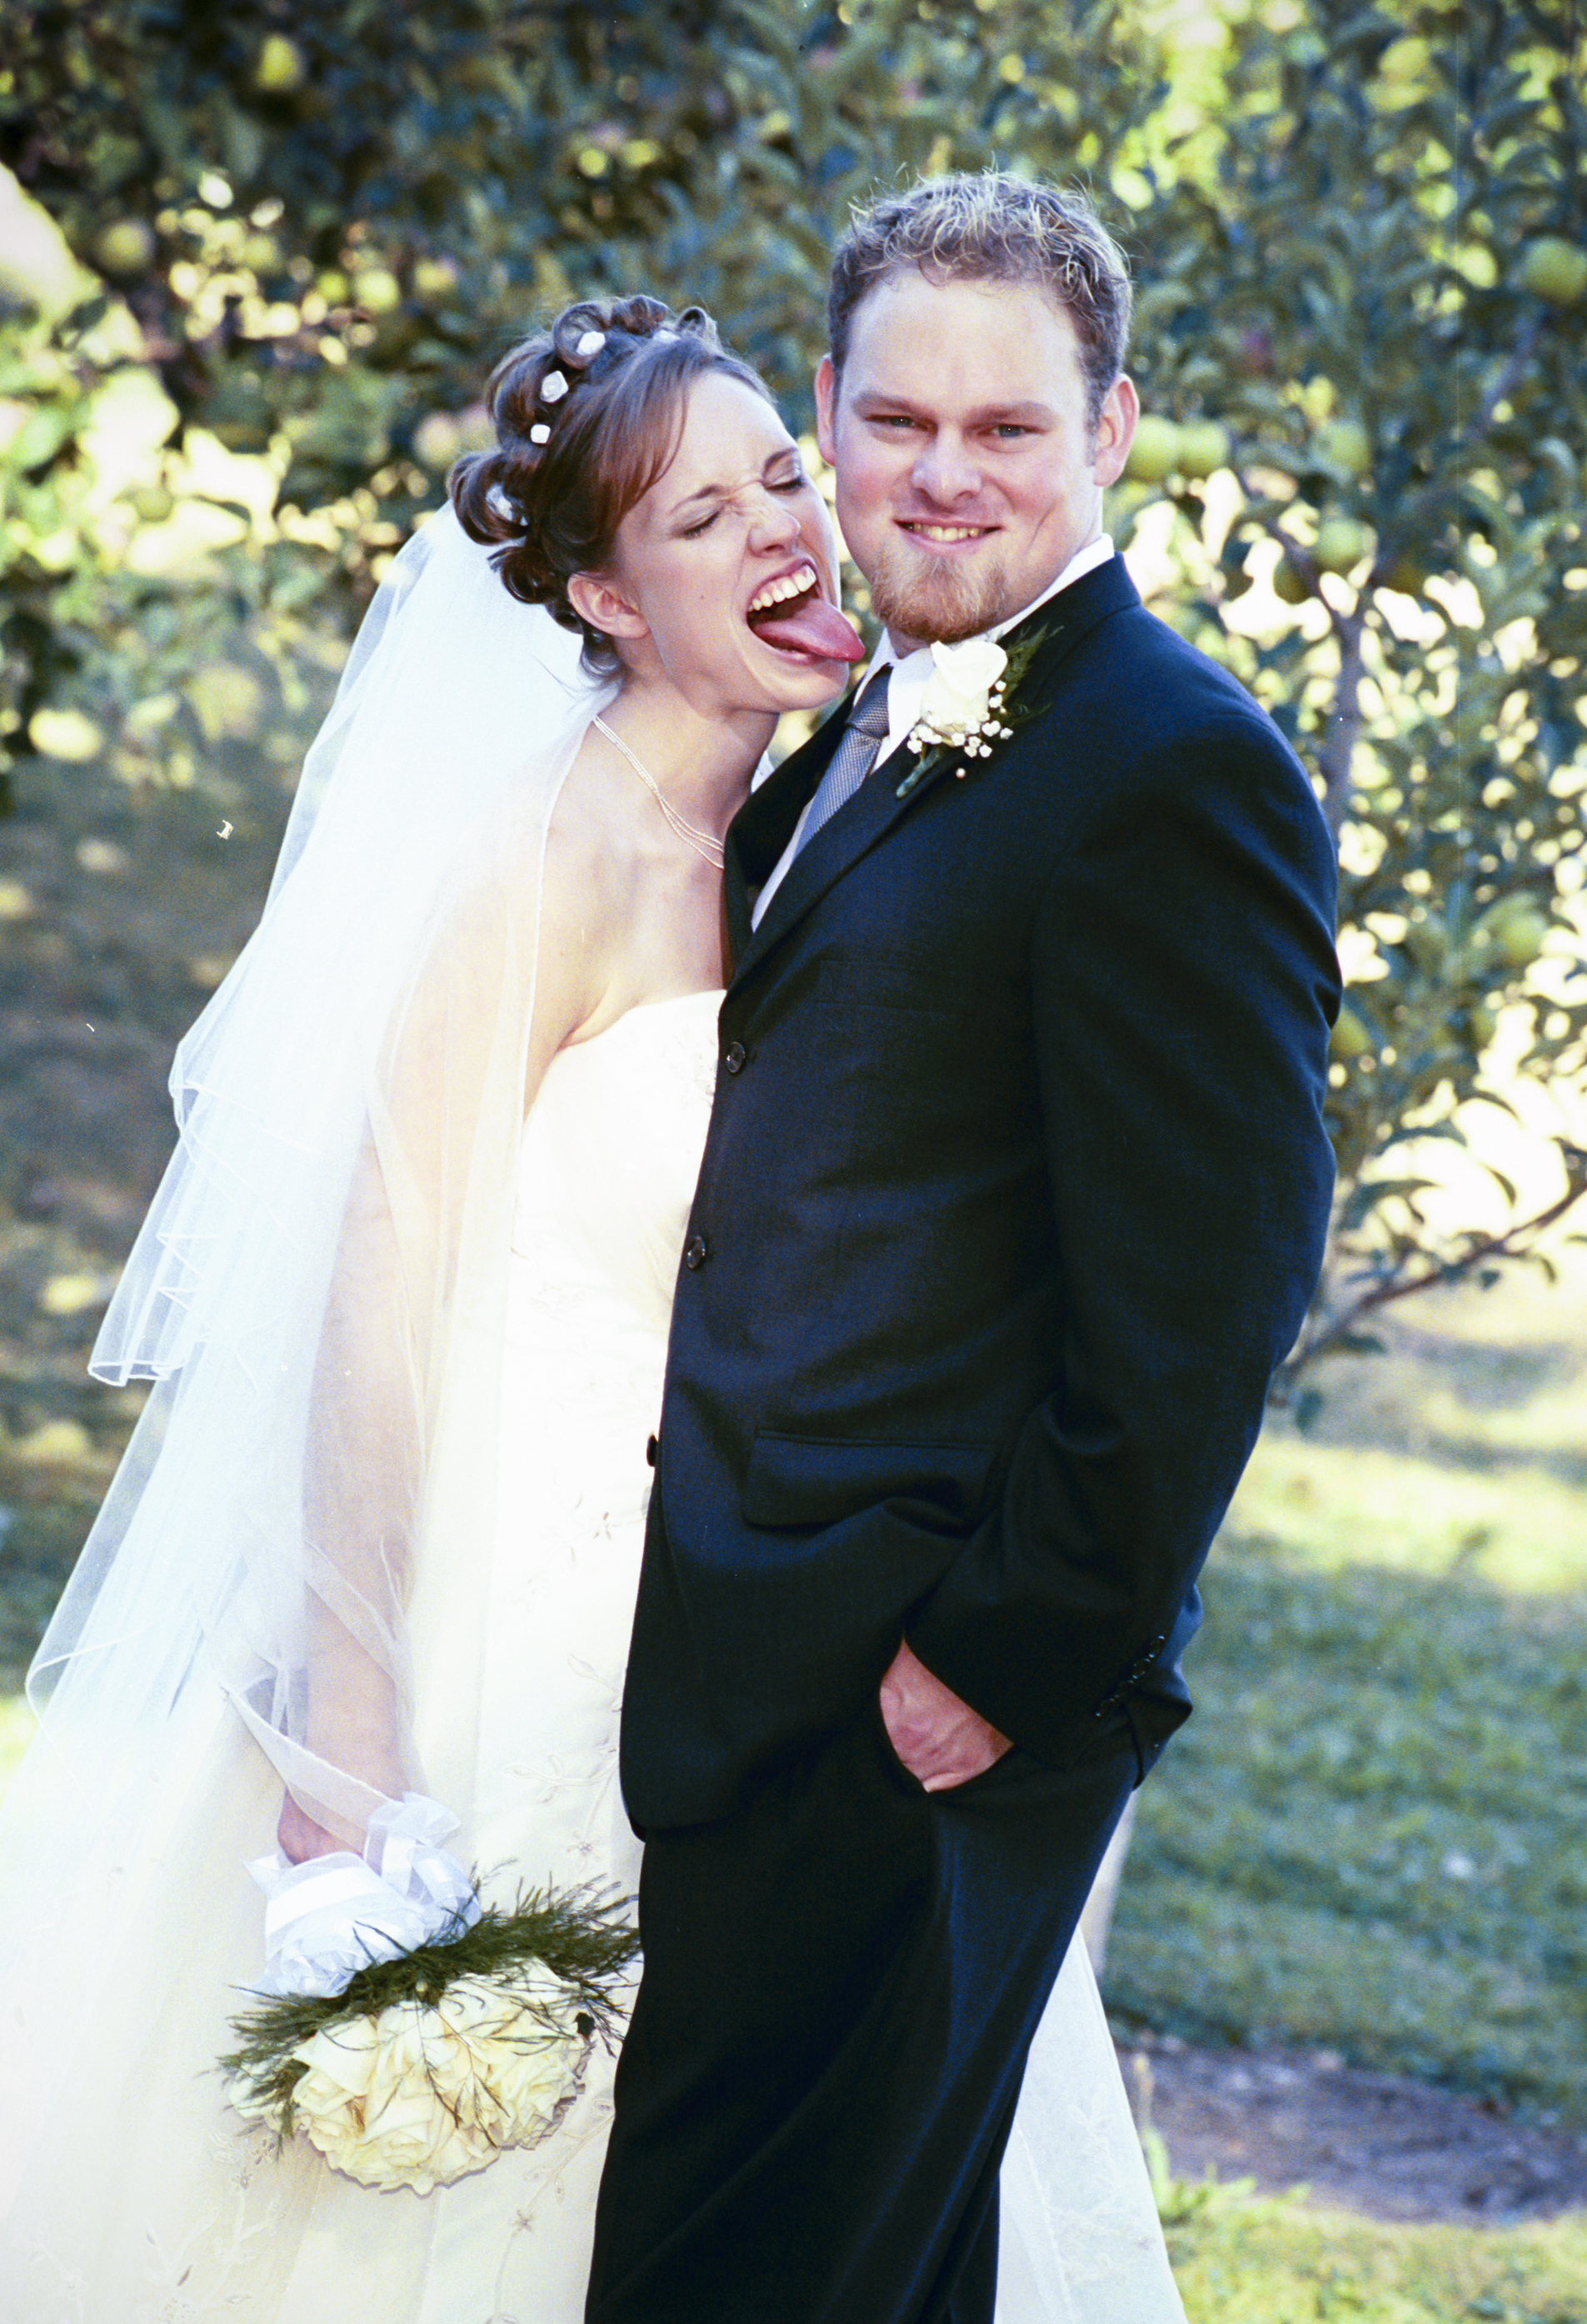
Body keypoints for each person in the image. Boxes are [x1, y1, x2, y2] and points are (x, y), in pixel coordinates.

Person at [0, 282, 1180, 2322]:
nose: (786, 531)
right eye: (703, 521)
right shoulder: (542, 858)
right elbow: (372, 1299)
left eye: (781, 478)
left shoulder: (820, 820)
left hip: (763, 1635)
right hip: (507, 1623)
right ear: (610, 602)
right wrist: (350, 1747)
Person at [588, 175, 1342, 2324]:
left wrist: (1001, 1660)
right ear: (823, 413)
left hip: (914, 1690)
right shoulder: (848, 717)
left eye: (1004, 428)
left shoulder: (1170, 769)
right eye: (895, 420)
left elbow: (1205, 1296)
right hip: (750, 1666)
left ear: (1108, 430)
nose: (940, 474)